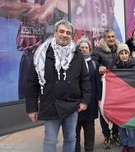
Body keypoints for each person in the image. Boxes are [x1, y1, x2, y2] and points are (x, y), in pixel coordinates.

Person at [0, 0, 67, 99]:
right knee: (25, 103)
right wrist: (29, 6)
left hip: (48, 56)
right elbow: (1, 4)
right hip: (28, 56)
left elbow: (42, 16)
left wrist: (15, 9)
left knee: (47, 102)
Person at [25, 20, 91, 152]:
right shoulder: (41, 55)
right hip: (50, 105)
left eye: (68, 33)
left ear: (71, 36)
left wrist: (84, 101)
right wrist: (31, 108)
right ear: (55, 33)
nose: (64, 35)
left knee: (71, 138)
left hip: (72, 105)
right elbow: (32, 83)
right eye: (61, 31)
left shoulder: (77, 56)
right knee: (50, 141)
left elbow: (85, 80)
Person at [91, 29, 121, 149]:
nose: (111, 38)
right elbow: (92, 62)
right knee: (103, 112)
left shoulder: (119, 48)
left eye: (113, 36)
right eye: (108, 37)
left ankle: (115, 133)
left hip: (117, 88)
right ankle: (106, 135)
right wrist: (99, 66)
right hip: (103, 88)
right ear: (104, 38)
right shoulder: (98, 50)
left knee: (117, 111)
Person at [75, 36, 101, 152]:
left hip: (90, 102)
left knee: (89, 129)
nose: (84, 49)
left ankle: (89, 149)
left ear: (90, 50)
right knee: (74, 130)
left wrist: (99, 98)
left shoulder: (94, 64)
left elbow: (97, 83)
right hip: (75, 101)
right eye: (81, 48)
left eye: (86, 47)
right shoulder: (71, 62)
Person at [114, 43, 135, 152]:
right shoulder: (115, 67)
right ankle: (124, 144)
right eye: (121, 53)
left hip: (131, 100)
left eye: (126, 53)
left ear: (129, 54)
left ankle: (131, 144)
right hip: (119, 100)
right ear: (118, 55)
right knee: (121, 124)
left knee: (131, 125)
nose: (124, 55)